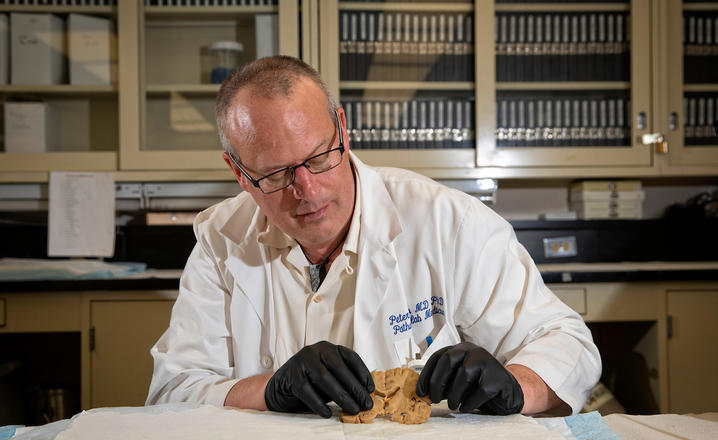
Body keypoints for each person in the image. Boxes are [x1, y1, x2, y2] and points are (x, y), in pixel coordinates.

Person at [147, 56, 601, 418]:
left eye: (319, 156)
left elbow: (566, 342)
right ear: (240, 173)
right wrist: (271, 390)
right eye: (276, 174)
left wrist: (515, 387)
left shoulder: (447, 221)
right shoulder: (221, 241)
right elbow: (174, 391)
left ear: (342, 131)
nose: (308, 190)